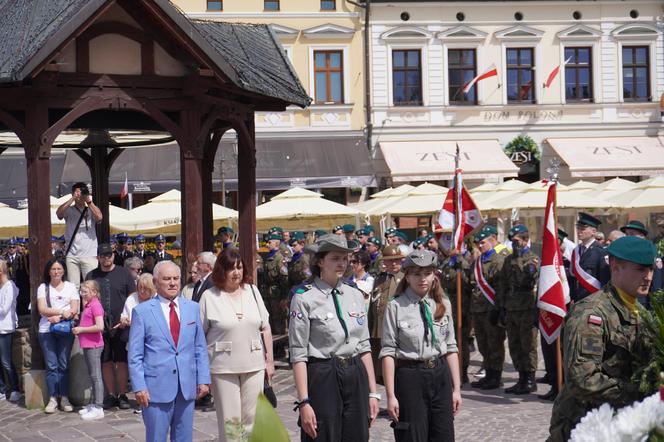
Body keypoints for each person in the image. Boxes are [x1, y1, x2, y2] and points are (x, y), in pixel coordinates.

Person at [547, 236, 656, 442]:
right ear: (615, 268)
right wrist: (638, 392)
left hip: (623, 424)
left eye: (651, 269)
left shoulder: (641, 312)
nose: (648, 276)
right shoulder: (591, 314)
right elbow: (582, 380)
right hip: (585, 425)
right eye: (640, 269)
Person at [289, 234, 380, 441]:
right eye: (335, 258)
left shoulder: (354, 294)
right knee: (323, 435)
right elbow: (298, 353)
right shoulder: (304, 297)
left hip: (355, 372)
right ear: (320, 261)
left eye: (345, 258)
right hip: (323, 373)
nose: (342, 263)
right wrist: (304, 402)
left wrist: (373, 392)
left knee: (357, 435)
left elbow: (364, 346)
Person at [380, 250, 461, 441]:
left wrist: (456, 389)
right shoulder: (396, 306)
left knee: (444, 435)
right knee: (412, 435)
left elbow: (451, 347)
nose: (422, 279)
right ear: (407, 276)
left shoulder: (443, 303)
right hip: (410, 377)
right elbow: (388, 352)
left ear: (434, 275)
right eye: (416, 273)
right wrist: (390, 395)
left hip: (440, 376)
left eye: (427, 273)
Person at [128, 261, 211, 442]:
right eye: (167, 279)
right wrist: (139, 386)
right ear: (156, 282)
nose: (173, 283)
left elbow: (200, 347)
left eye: (176, 278)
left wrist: (204, 378)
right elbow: (135, 354)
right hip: (155, 389)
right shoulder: (142, 312)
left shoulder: (192, 308)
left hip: (186, 387)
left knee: (184, 437)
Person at [199, 248, 275, 441]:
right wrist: (200, 371)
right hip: (223, 367)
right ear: (221, 271)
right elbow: (199, 335)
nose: (236, 272)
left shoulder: (253, 291)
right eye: (231, 268)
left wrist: (270, 361)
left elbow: (265, 327)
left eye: (239, 267)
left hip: (254, 363)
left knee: (252, 418)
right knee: (231, 421)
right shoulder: (209, 296)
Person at [85, 243, 136, 410]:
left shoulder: (124, 273)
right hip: (100, 327)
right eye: (103, 255)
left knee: (121, 361)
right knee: (105, 361)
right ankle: (111, 395)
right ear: (98, 257)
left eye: (109, 255)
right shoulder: (91, 275)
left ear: (113, 255)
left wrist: (127, 318)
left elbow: (132, 298)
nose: (106, 258)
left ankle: (122, 394)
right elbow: (86, 300)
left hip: (121, 325)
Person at [499, 225, 540, 395]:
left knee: (528, 344)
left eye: (517, 241)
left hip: (527, 308)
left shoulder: (533, 259)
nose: (514, 245)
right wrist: (501, 307)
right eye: (512, 242)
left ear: (525, 240)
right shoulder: (508, 260)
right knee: (514, 344)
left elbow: (533, 281)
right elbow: (503, 284)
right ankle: (521, 378)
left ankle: (530, 379)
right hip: (511, 307)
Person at [36, 257, 80, 413]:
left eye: (59, 269)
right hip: (46, 330)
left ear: (64, 271)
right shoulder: (43, 287)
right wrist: (62, 311)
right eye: (53, 269)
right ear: (48, 271)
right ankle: (53, 398)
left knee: (63, 364)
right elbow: (42, 309)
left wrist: (59, 318)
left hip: (64, 330)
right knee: (51, 365)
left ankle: (65, 397)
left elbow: (74, 309)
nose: (56, 272)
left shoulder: (70, 287)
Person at [470, 229, 507, 390]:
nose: (480, 245)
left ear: (491, 240)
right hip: (478, 310)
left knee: (495, 344)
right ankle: (488, 373)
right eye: (478, 243)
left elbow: (501, 288)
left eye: (483, 242)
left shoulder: (497, 261)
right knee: (483, 344)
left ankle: (496, 376)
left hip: (491, 309)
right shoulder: (476, 262)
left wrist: (498, 309)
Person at [437, 230, 473, 384]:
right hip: (447, 304)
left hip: (462, 305)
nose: (447, 247)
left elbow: (468, 283)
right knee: (447, 339)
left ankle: (462, 371)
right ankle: (451, 371)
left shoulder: (465, 262)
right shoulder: (446, 263)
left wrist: (461, 264)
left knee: (461, 341)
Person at [368, 244, 404, 385]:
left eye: (397, 260)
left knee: (397, 370)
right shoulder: (379, 279)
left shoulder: (406, 278)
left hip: (396, 331)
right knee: (381, 372)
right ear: (384, 262)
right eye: (390, 260)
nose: (394, 263)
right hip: (379, 330)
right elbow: (373, 304)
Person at [56, 182, 103, 288]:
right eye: (78, 192)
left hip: (89, 253)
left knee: (90, 286)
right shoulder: (69, 210)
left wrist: (89, 201)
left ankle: (89, 305)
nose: (80, 195)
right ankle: (75, 305)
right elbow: (59, 214)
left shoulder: (90, 208)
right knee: (73, 287)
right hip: (72, 254)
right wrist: (72, 199)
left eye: (83, 192)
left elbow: (99, 217)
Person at [73, 280, 105, 420]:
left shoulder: (96, 305)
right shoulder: (89, 304)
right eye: (82, 291)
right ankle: (93, 404)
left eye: (85, 291)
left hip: (94, 345)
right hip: (87, 344)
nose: (83, 294)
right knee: (92, 375)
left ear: (94, 292)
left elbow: (100, 326)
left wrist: (81, 329)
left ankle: (98, 406)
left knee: (96, 376)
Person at [569, 212, 610, 302]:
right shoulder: (576, 250)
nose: (579, 231)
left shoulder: (601, 252)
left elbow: (605, 280)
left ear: (593, 231)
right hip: (577, 299)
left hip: (593, 299)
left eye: (583, 229)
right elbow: (573, 277)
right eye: (578, 228)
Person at [258, 233, 289, 336]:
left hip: (277, 294)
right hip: (268, 293)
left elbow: (284, 278)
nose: (267, 244)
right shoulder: (268, 257)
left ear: (276, 243)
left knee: (278, 320)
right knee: (269, 318)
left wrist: (284, 297)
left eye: (270, 242)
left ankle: (280, 345)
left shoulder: (279, 258)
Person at [0, 259, 21, 402]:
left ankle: (15, 388)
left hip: (5, 327)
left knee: (6, 361)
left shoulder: (10, 286)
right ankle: (2, 389)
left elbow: (4, 309)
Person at [2, 238, 30, 315]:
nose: (11, 249)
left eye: (13, 247)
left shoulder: (21, 258)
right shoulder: (3, 258)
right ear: (7, 248)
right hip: (6, 283)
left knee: (19, 300)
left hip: (18, 282)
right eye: (10, 247)